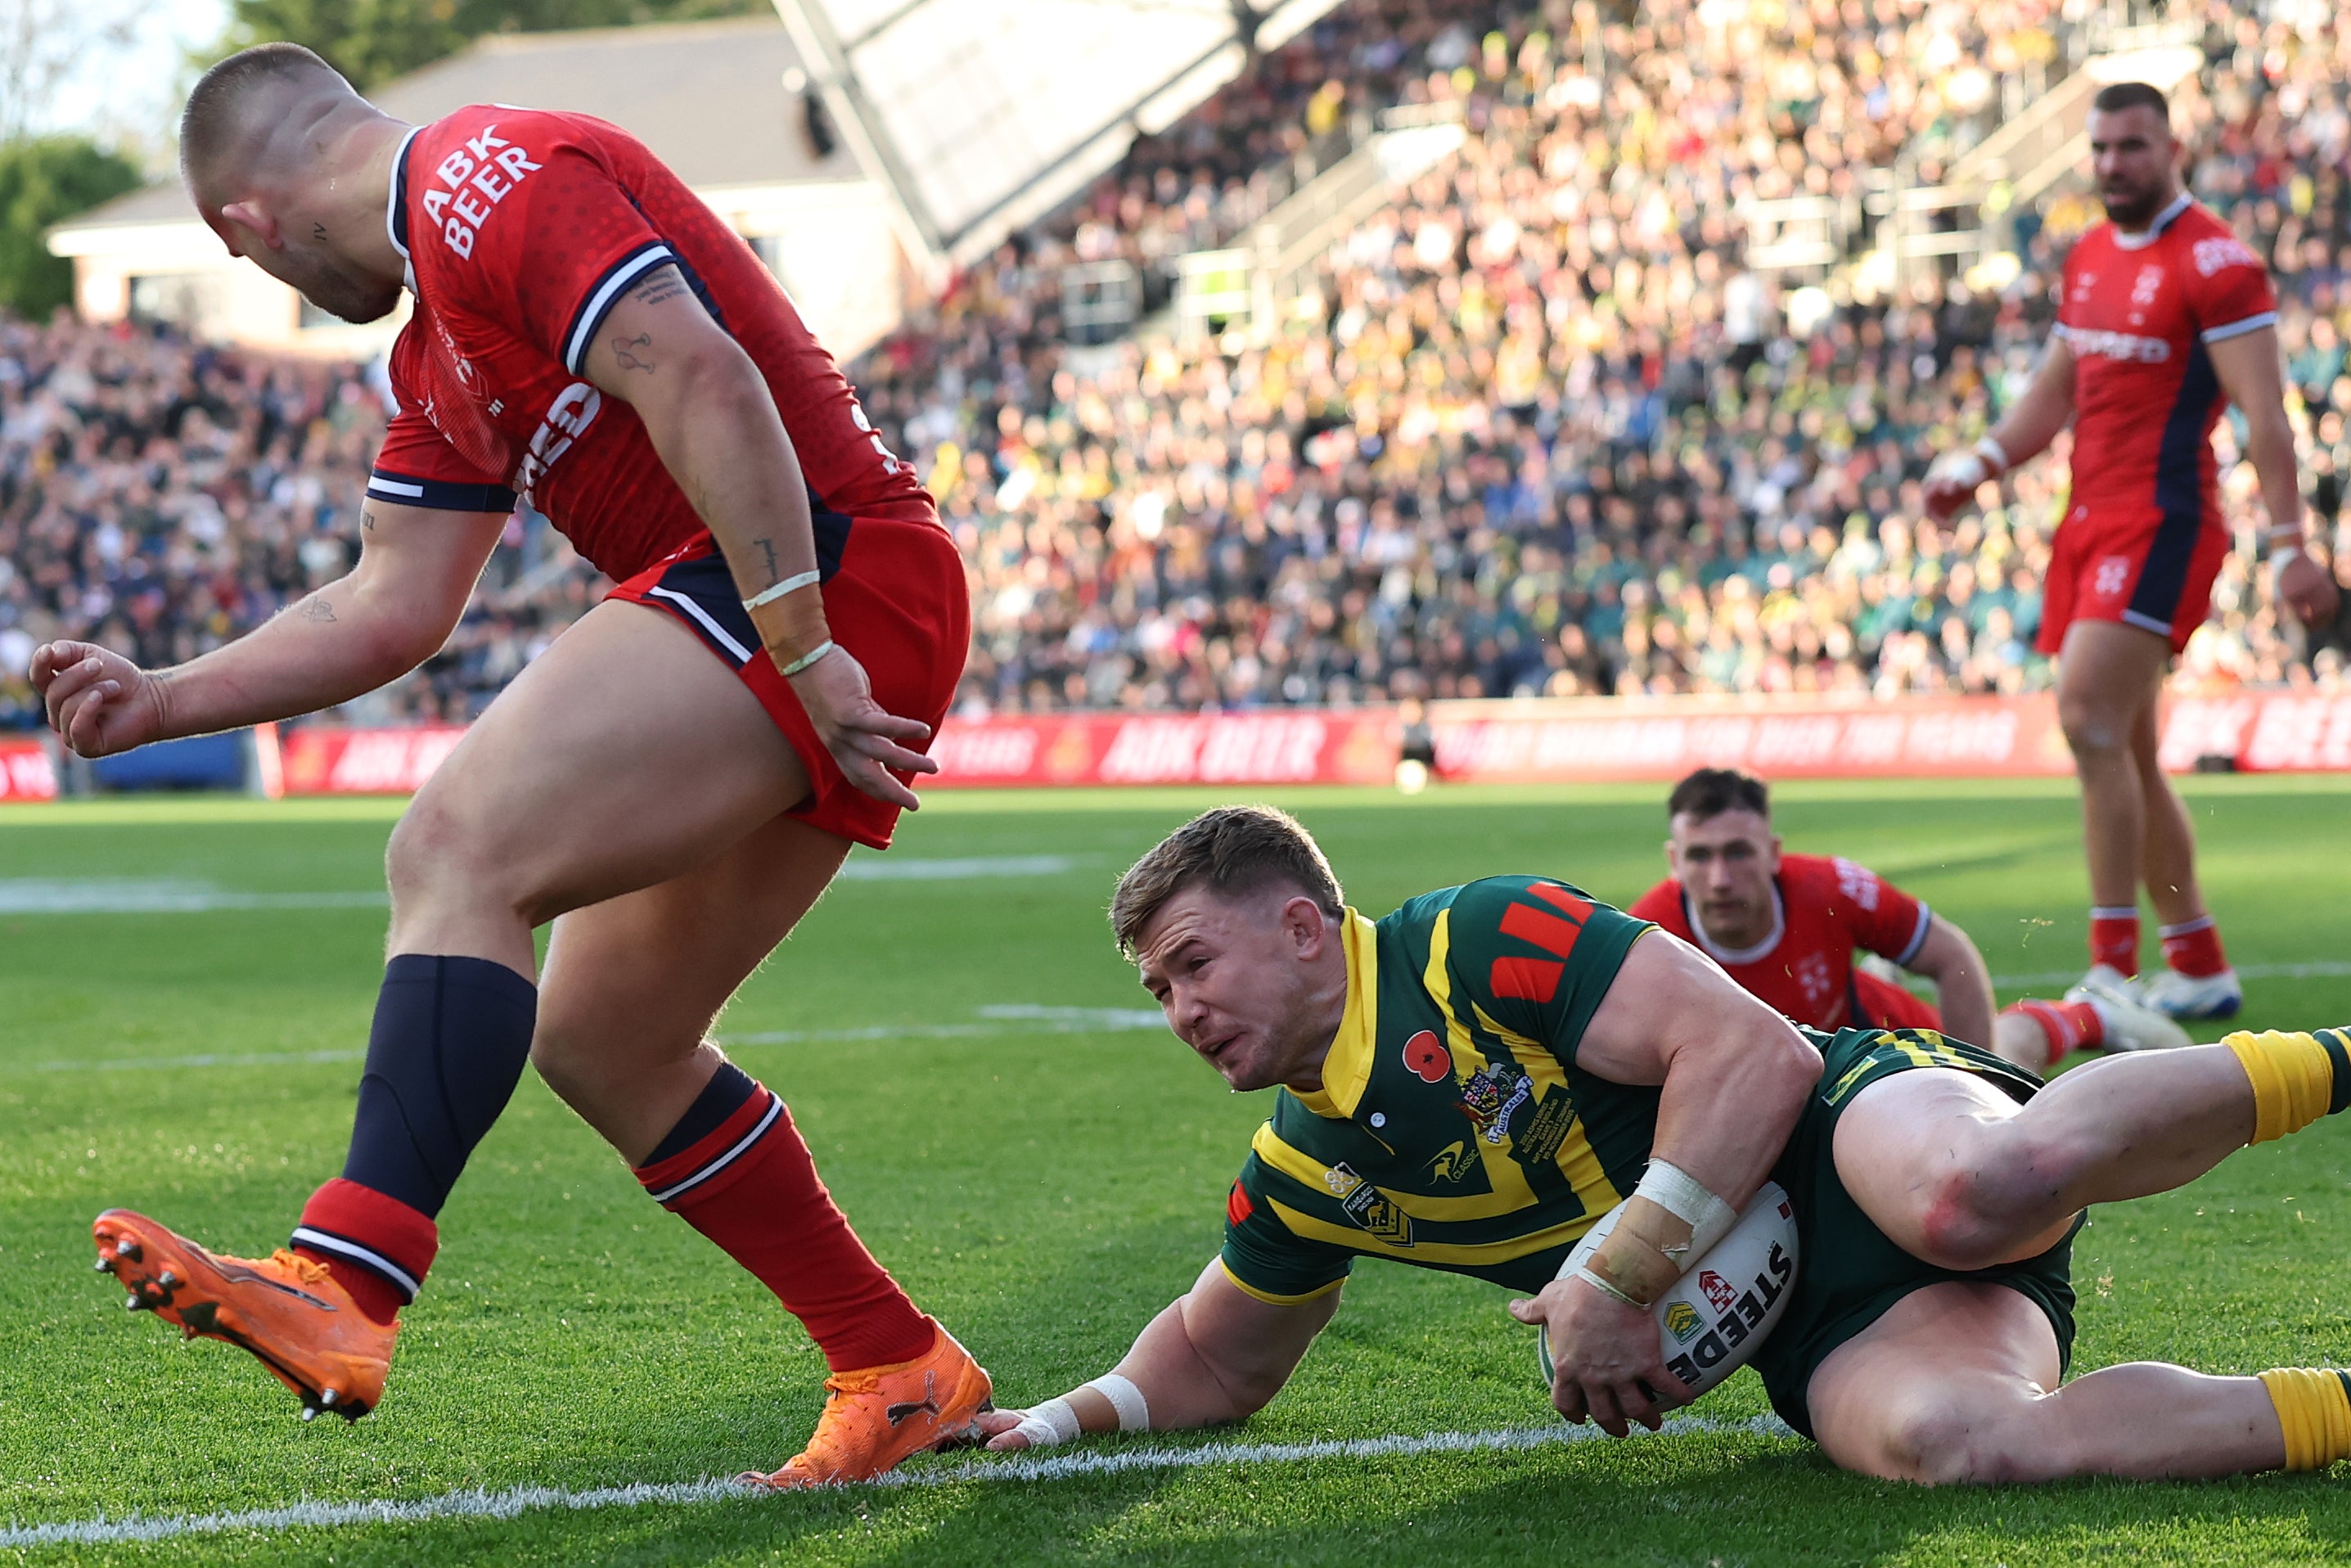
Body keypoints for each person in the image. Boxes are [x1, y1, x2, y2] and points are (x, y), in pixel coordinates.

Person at [33, 44, 989, 1485]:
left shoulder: (489, 176)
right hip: (818, 599)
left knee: (451, 848)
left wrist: (801, 647)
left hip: (814, 581)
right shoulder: (438, 343)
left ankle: (347, 1282)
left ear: (245, 225)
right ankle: (896, 1363)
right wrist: (161, 701)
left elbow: (704, 380)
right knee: (606, 1038)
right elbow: (390, 603)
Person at [970, 805, 2351, 1484]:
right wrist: (1047, 1423)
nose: (1179, 1010)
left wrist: (1623, 1267)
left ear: (1295, 925)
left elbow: (1756, 1052)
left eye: (1191, 964)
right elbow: (1213, 1353)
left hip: (1834, 1129)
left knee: (1973, 1188)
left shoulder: (1472, 935)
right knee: (1953, 1442)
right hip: (1809, 1321)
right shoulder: (1303, 1168)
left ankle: (2338, 1062)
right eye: (1159, 991)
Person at [1924, 81, 2341, 1020]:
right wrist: (1981, 460)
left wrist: (2289, 547)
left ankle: (2108, 971)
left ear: (2171, 148)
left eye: (2131, 147)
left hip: (2164, 522)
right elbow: (2054, 387)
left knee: (2084, 717)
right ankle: (2195, 962)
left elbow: (2266, 418)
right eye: (2101, 147)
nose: (2112, 164)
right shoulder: (2087, 256)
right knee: (2132, 751)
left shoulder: (2217, 263)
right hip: (2086, 520)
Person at [1626, 768, 2188, 1073]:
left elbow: (1950, 955)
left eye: (1738, 853)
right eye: (1699, 857)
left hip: (1878, 1045)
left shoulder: (1829, 888)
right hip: (1765, 1084)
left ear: (1773, 853)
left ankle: (2083, 1015)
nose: (1719, 878)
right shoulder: (1644, 938)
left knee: (2007, 1054)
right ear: (1674, 863)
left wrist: (1980, 1086)